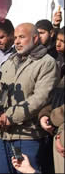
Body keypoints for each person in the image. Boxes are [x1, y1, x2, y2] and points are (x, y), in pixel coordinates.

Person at [0, 23, 59, 173]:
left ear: (35, 39)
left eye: (22, 37)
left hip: (28, 137)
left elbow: (40, 98)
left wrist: (9, 116)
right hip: (2, 136)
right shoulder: (9, 62)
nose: (17, 42)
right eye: (15, 38)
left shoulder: (47, 63)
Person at [38, 27, 64, 174]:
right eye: (58, 40)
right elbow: (54, 97)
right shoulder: (55, 61)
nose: (58, 44)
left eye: (63, 41)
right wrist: (44, 115)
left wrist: (53, 117)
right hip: (54, 133)